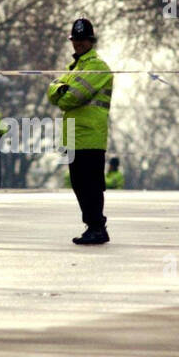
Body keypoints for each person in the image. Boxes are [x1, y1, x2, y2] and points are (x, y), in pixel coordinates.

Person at [47, 18, 113, 244]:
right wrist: (61, 90)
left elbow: (69, 99)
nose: (78, 44)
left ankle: (97, 226)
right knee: (79, 184)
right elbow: (51, 91)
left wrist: (62, 92)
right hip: (74, 136)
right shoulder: (72, 69)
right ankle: (92, 226)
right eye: (75, 40)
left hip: (91, 136)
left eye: (82, 40)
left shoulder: (97, 67)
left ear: (91, 41)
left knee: (91, 185)